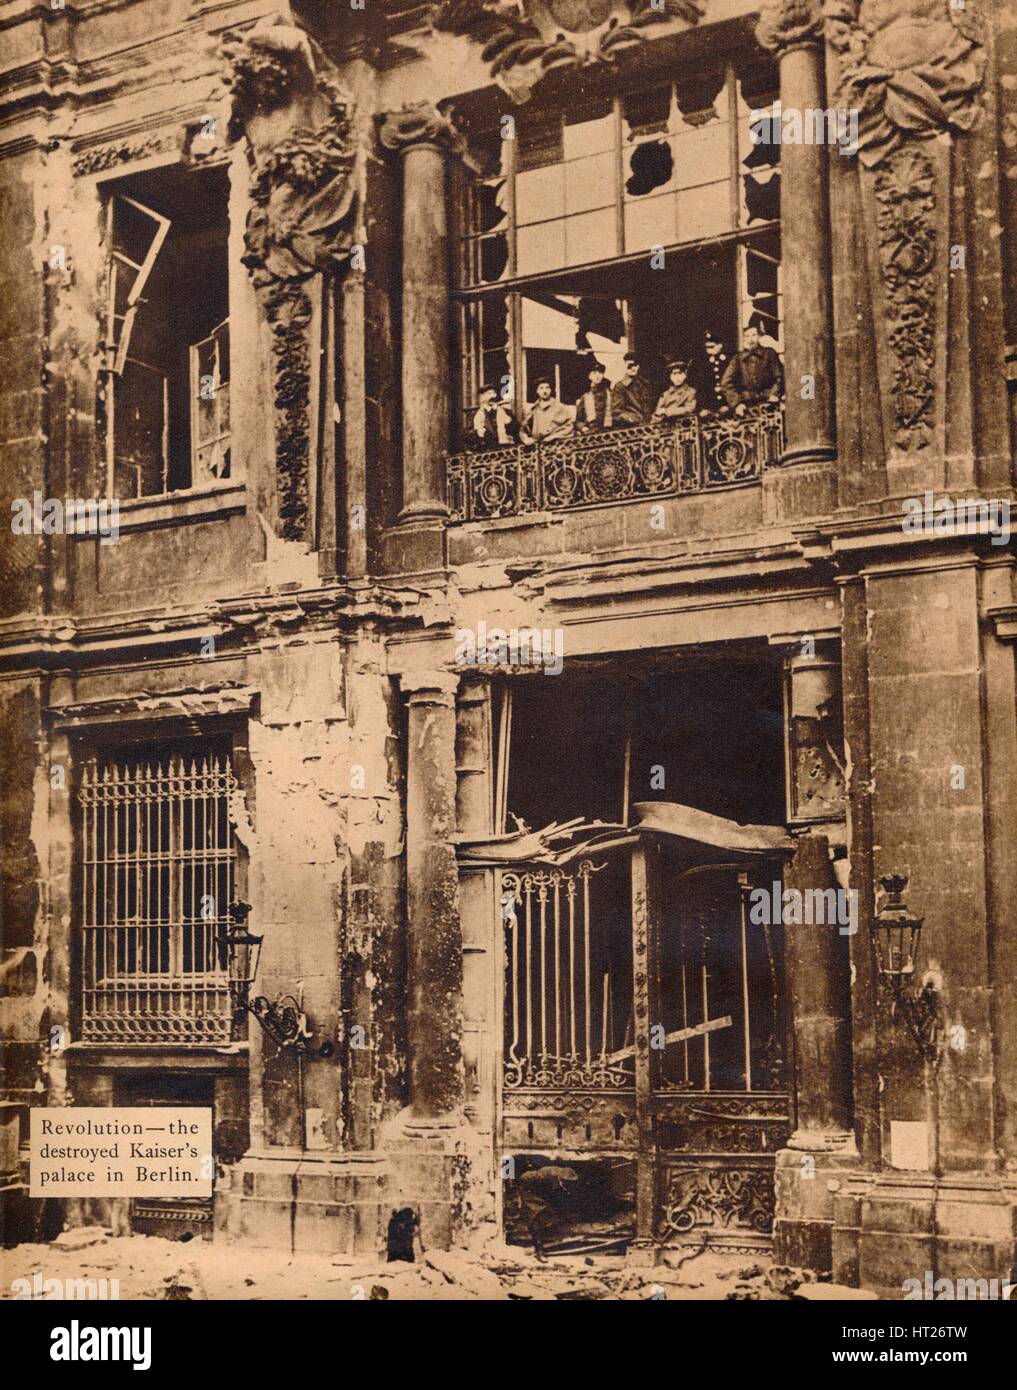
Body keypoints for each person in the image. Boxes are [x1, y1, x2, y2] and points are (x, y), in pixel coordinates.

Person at [516, 1163, 580, 1261]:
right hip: (529, 1190)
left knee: (550, 1214)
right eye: (568, 1182)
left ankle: (549, 1236)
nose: (570, 1185)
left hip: (542, 1192)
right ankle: (539, 1250)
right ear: (561, 1179)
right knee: (534, 1217)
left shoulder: (561, 1179)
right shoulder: (548, 1174)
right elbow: (524, 1178)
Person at [719, 324, 784, 414]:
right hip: (746, 403)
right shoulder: (738, 358)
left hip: (769, 401)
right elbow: (725, 383)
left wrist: (774, 395)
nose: (751, 339)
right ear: (744, 339)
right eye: (747, 336)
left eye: (754, 335)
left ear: (759, 337)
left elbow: (779, 378)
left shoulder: (769, 354)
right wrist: (737, 403)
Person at [465, 383, 520, 450]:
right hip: (487, 451)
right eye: (489, 394)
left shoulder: (504, 411)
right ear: (482, 397)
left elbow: (516, 429)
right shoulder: (477, 415)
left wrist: (509, 422)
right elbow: (470, 435)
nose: (493, 396)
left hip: (507, 448)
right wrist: (480, 433)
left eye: (494, 393)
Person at [521, 378, 573, 442]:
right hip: (537, 444)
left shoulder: (560, 407)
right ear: (537, 391)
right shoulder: (533, 409)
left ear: (551, 390)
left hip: (555, 443)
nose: (544, 391)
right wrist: (526, 438)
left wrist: (553, 437)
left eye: (547, 388)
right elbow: (524, 429)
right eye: (541, 388)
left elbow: (569, 427)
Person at [610, 354, 654, 427]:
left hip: (647, 424)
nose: (633, 368)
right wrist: (631, 419)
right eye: (630, 366)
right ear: (624, 366)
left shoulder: (645, 384)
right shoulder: (620, 386)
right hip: (630, 426)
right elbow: (616, 412)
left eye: (635, 365)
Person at [574, 360, 612, 432]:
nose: (597, 376)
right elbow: (578, 421)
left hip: (607, 431)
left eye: (600, 373)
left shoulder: (609, 394)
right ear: (589, 376)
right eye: (594, 373)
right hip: (591, 432)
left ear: (603, 375)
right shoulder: (585, 397)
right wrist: (583, 428)